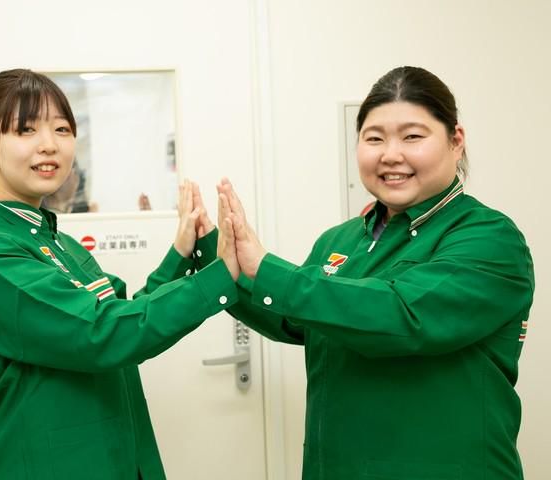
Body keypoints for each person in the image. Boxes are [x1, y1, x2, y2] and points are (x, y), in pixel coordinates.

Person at [204, 66, 535, 479]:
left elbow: (402, 314)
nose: (390, 154)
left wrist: (267, 269)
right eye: (374, 138)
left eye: (412, 137)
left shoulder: (489, 238)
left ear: (456, 141)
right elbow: (296, 316)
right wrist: (216, 258)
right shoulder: (341, 239)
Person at [0, 68, 238, 480]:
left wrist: (179, 253)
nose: (49, 145)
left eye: (62, 129)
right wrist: (220, 276)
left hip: (114, 457)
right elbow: (102, 333)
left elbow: (121, 316)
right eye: (25, 130)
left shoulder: (58, 243)